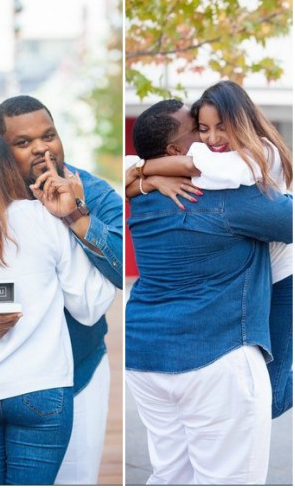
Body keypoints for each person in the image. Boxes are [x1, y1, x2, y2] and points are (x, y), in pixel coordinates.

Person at [0, 96, 123, 485]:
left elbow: (128, 266)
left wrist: (77, 217)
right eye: (23, 142)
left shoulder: (92, 194)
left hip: (73, 374)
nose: (41, 148)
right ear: (0, 150)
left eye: (49, 135)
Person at [125, 98, 293, 485]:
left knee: (172, 476)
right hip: (216, 355)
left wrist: (146, 173)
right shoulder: (227, 196)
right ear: (176, 152)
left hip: (146, 356)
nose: (214, 140)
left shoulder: (142, 195)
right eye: (198, 131)